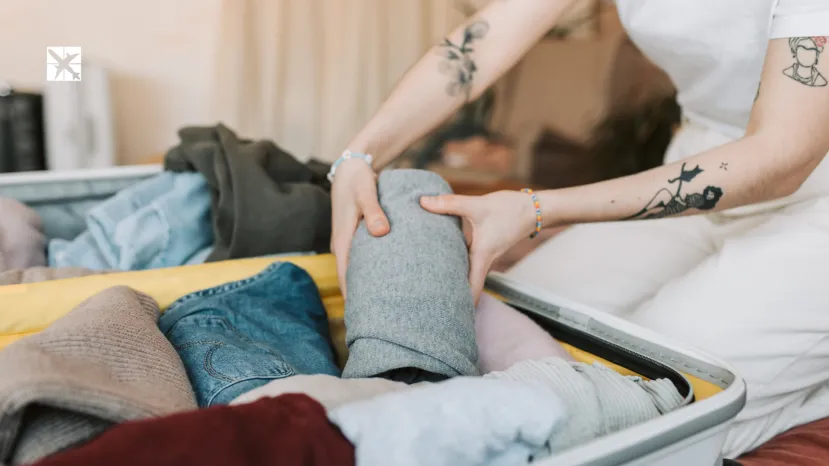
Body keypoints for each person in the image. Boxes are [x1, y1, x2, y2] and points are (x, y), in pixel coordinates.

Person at [327, 0, 829, 459]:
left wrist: (538, 209)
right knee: (515, 318)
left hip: (812, 196)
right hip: (700, 163)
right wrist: (357, 156)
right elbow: (487, 37)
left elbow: (782, 156)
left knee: (663, 396)